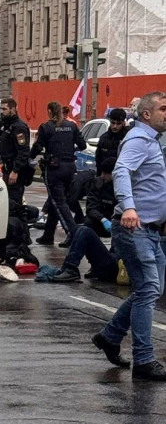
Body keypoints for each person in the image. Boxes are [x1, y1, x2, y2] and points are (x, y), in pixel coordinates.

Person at [93, 91, 166, 381]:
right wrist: (130, 207)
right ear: (147, 114)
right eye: (163, 108)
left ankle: (110, 337)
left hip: (150, 229)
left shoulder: (152, 141)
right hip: (133, 228)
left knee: (150, 290)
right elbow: (121, 170)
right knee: (148, 289)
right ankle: (144, 360)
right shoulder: (138, 139)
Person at [30, 101, 86, 247]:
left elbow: (38, 146)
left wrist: (29, 157)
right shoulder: (72, 126)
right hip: (69, 167)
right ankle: (48, 234)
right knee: (57, 200)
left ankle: (73, 234)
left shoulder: (46, 127)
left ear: (49, 111)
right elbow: (82, 145)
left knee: (59, 202)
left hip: (54, 168)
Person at [0, 98, 32, 205]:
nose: (1, 111)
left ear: (13, 109)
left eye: (4, 109)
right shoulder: (6, 125)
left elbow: (23, 151)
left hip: (14, 172)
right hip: (5, 169)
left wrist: (15, 171)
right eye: (1, 109)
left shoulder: (19, 127)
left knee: (15, 204)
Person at [50, 225, 119, 283]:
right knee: (80, 228)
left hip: (116, 268)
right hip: (113, 262)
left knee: (86, 231)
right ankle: (66, 267)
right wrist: (102, 218)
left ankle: (71, 268)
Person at [84, 158, 116, 238]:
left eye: (105, 173)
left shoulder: (122, 187)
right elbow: (91, 207)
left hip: (116, 221)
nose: (102, 176)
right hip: (101, 219)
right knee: (88, 223)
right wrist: (102, 219)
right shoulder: (97, 183)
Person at [94, 108, 129, 175]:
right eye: (113, 123)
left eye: (118, 124)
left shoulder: (128, 138)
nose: (115, 126)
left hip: (122, 176)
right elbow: (98, 159)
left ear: (123, 123)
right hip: (105, 177)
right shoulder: (104, 138)